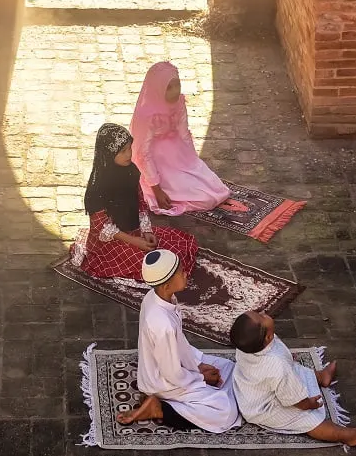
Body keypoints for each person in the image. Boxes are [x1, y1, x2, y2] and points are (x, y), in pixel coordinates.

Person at [116, 249, 241, 432]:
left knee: (229, 368)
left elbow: (179, 345)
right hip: (163, 382)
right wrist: (200, 377)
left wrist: (197, 364)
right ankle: (160, 409)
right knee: (225, 413)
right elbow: (171, 373)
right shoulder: (162, 324)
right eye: (181, 272)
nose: (186, 273)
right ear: (166, 285)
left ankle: (209, 392)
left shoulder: (155, 297)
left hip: (178, 369)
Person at [69, 123, 199, 281]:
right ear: (109, 154)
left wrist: (147, 231)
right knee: (151, 267)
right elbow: (101, 226)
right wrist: (135, 242)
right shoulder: (99, 186)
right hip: (111, 243)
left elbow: (140, 204)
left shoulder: (131, 171)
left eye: (130, 148)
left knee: (176, 249)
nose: (129, 154)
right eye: (123, 151)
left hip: (134, 230)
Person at [230, 311, 356, 446]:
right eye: (261, 317)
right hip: (264, 407)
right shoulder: (277, 366)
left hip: (256, 385)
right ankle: (345, 435)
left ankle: (321, 377)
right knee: (307, 420)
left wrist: (286, 357)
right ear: (268, 337)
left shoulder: (249, 345)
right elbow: (291, 397)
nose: (263, 313)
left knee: (296, 369)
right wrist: (307, 404)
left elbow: (278, 355)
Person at [130, 61, 232, 216]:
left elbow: (184, 131)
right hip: (158, 160)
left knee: (217, 188)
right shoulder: (147, 115)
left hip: (179, 154)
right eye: (169, 87)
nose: (175, 91)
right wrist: (156, 188)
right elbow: (143, 153)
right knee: (206, 198)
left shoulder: (179, 102)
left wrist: (193, 162)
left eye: (177, 85)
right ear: (158, 89)